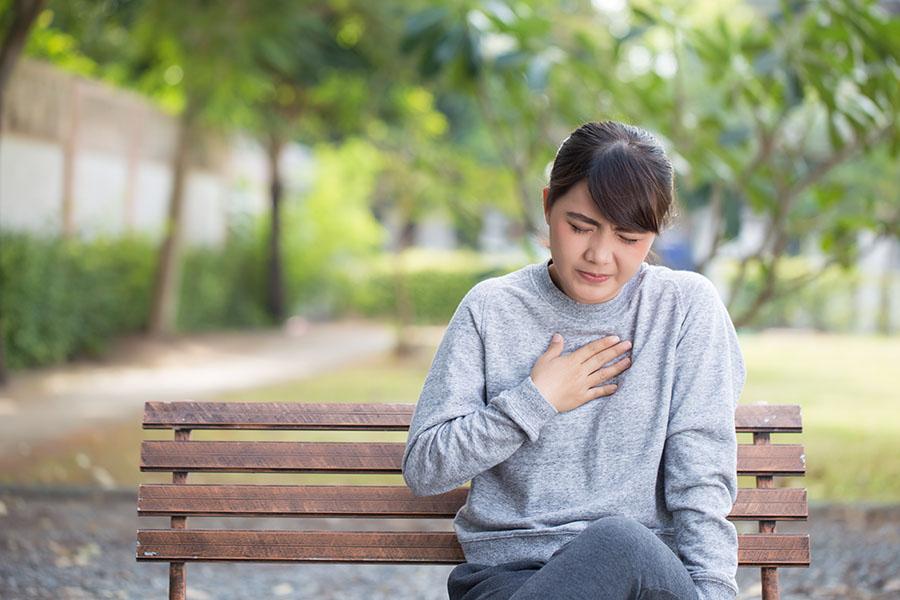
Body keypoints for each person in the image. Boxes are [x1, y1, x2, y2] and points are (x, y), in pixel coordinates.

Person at [401, 121, 746, 600]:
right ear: (547, 206)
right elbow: (424, 468)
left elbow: (701, 479)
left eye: (628, 238)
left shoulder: (684, 308)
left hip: (644, 583)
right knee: (616, 541)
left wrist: (711, 592)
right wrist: (534, 401)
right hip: (510, 581)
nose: (600, 255)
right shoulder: (492, 309)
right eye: (580, 227)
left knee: (620, 542)